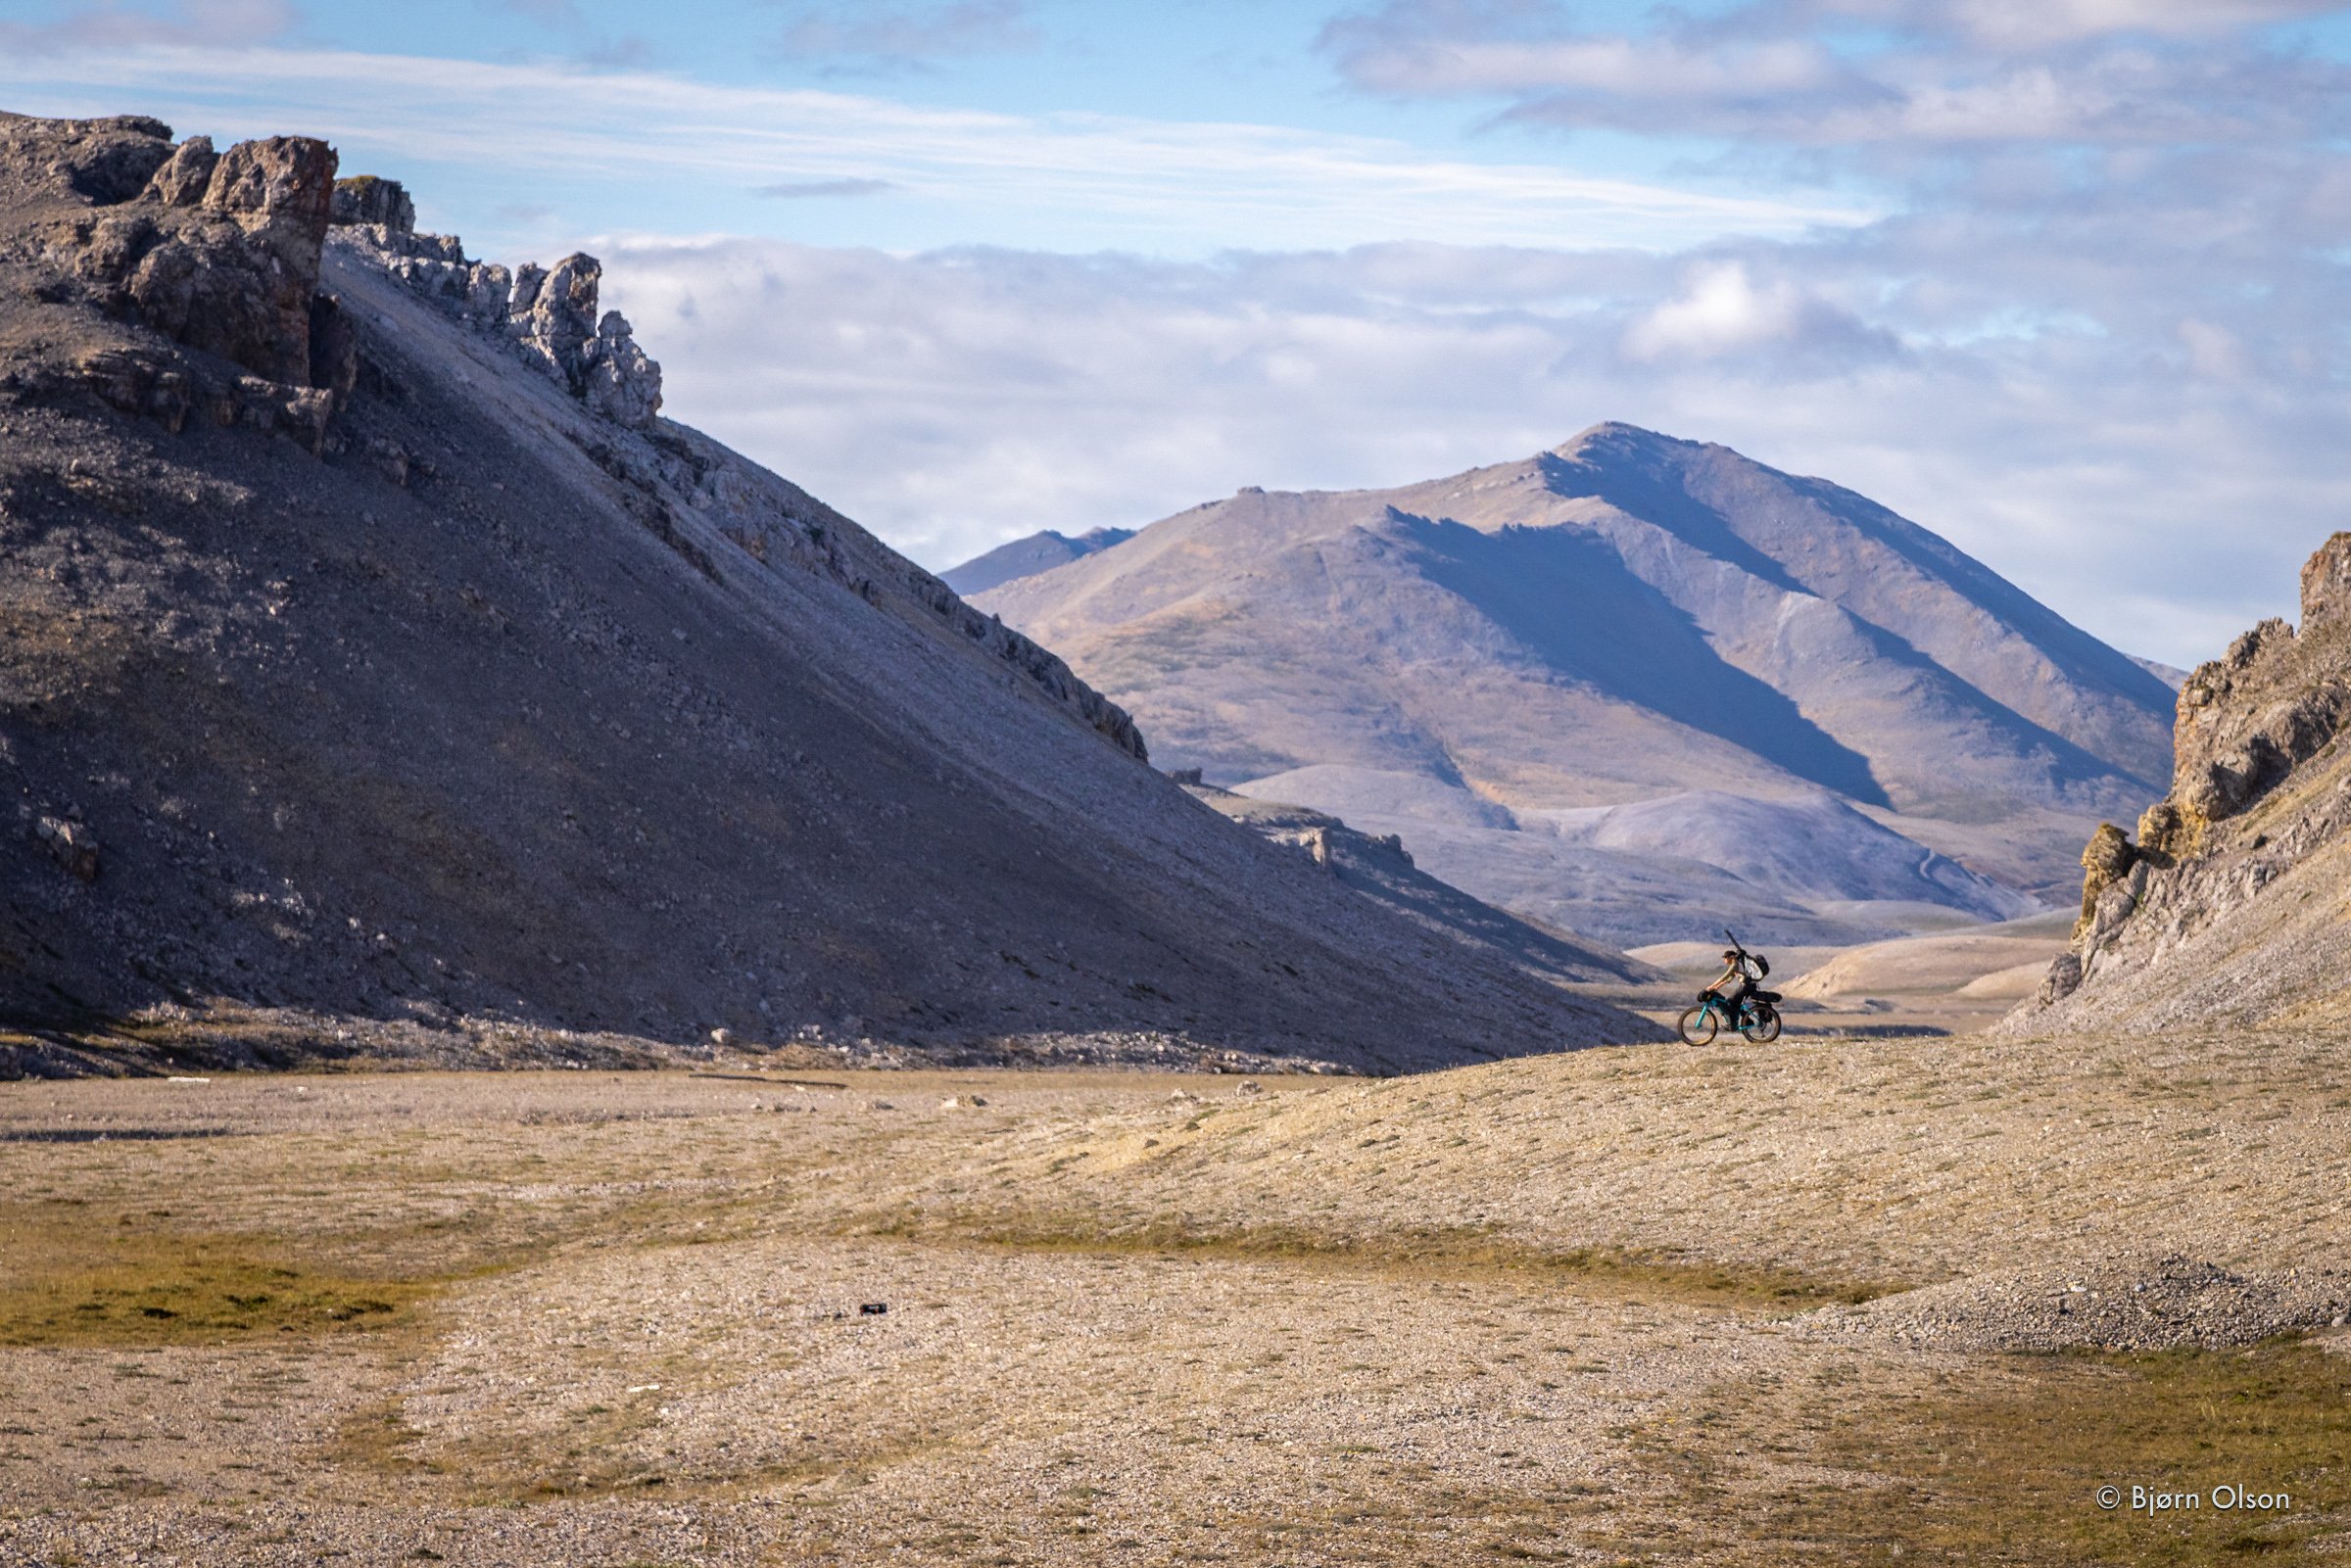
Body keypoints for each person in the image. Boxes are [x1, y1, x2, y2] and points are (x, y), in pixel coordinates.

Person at [1705, 947, 1757, 1022]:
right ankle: (1747, 1022)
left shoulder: (1734, 965)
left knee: (1730, 1001)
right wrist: (1717, 986)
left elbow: (1724, 977)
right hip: (1749, 986)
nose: (1724, 959)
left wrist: (1711, 986)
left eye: (1726, 957)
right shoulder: (1737, 964)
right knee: (1737, 1004)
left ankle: (1735, 1024)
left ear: (1732, 957)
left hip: (1746, 986)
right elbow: (1728, 979)